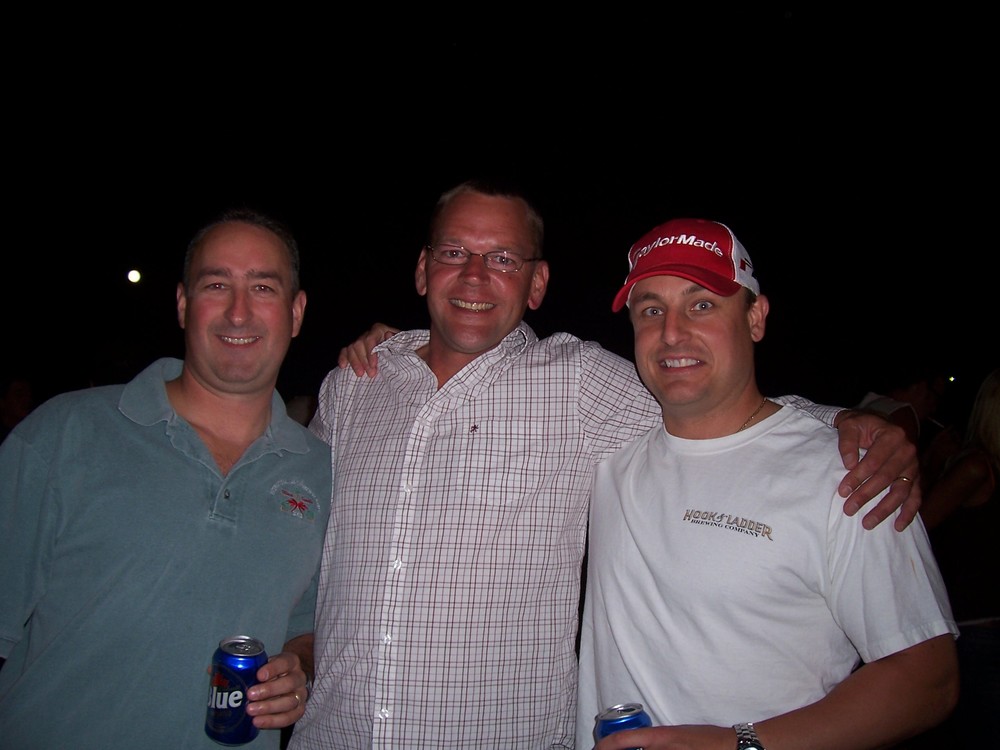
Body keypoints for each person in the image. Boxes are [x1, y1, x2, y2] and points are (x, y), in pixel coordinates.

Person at [288, 180, 921, 750]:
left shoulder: (581, 384)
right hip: (334, 733)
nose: (475, 275)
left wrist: (846, 421)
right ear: (424, 269)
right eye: (454, 252)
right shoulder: (352, 386)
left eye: (503, 258)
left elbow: (713, 400)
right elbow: (302, 545)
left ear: (538, 284)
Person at [576, 218, 958, 750]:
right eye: (651, 310)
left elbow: (927, 679)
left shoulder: (847, 472)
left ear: (755, 318)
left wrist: (738, 743)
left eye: (702, 305)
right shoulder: (605, 455)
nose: (672, 332)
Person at [0, 209, 331, 748]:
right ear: (183, 304)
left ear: (296, 313)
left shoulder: (321, 471)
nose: (239, 312)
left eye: (263, 288)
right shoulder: (65, 434)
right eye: (216, 284)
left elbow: (308, 623)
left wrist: (299, 666)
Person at [917, 366, 1000, 749]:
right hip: (976, 627)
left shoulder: (985, 466)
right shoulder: (976, 467)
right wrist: (933, 461)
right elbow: (919, 524)